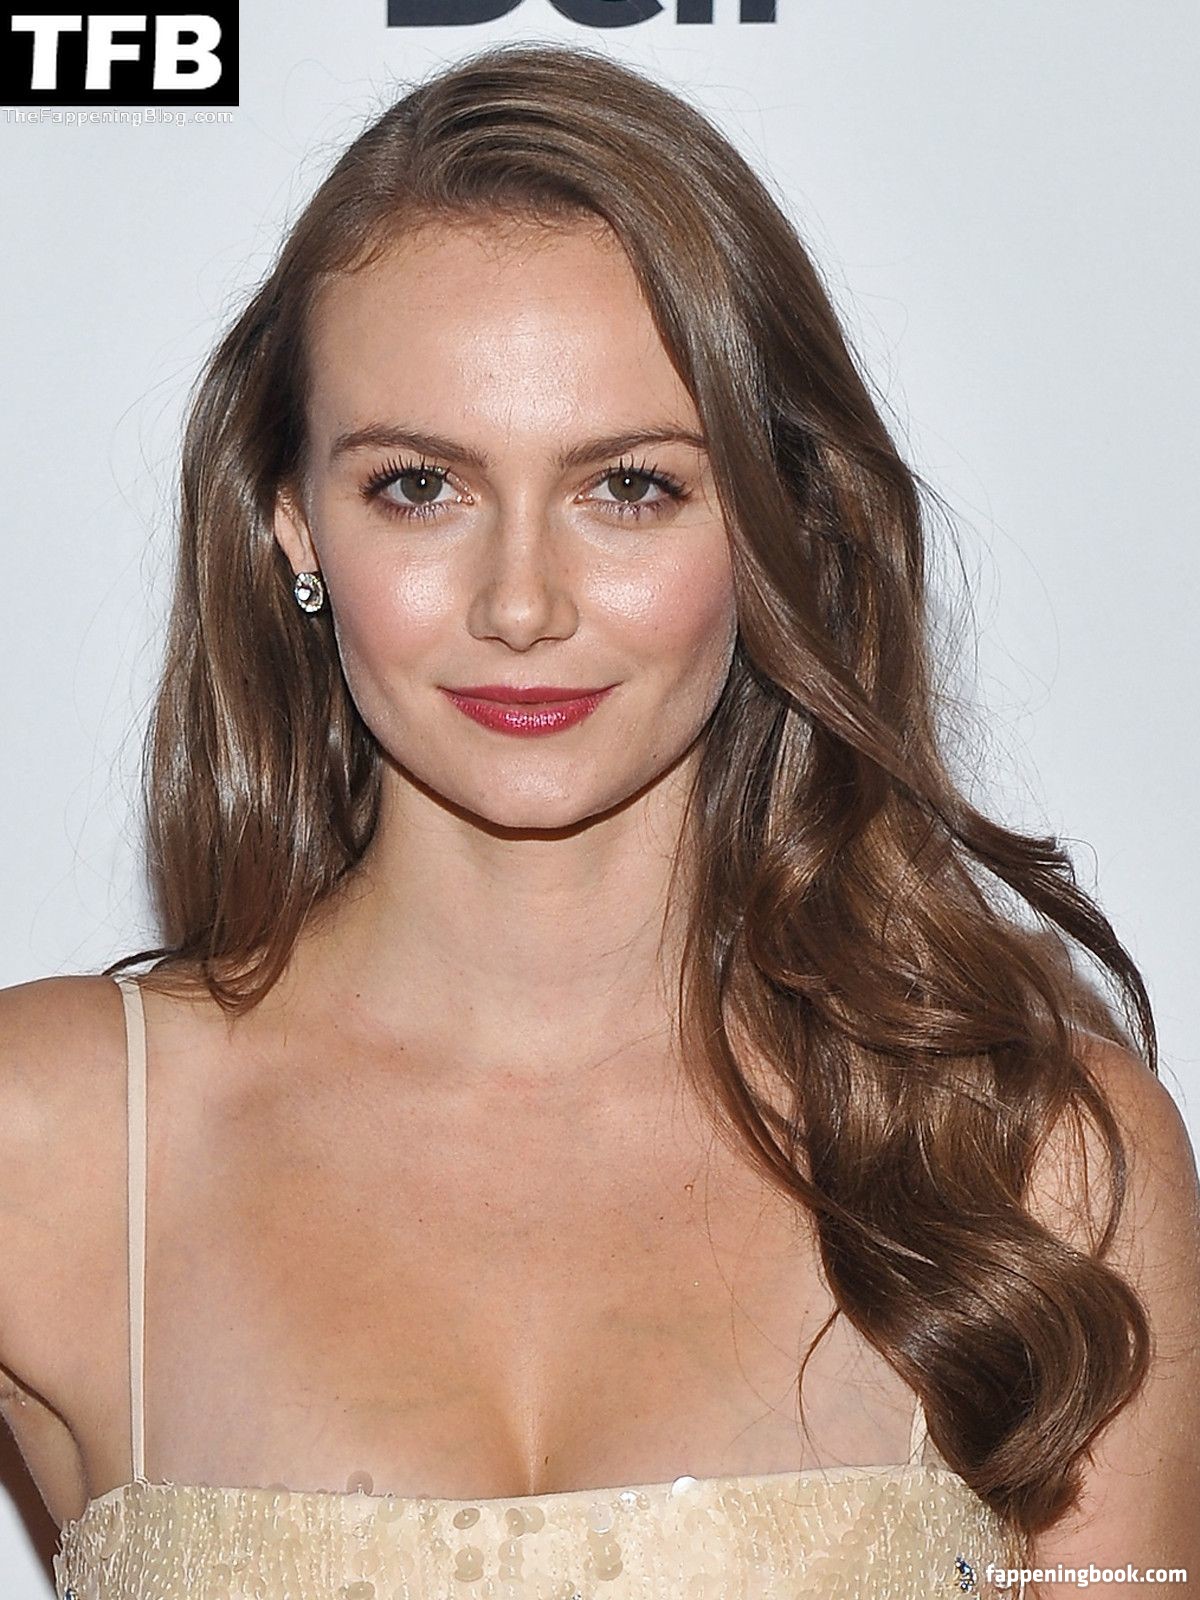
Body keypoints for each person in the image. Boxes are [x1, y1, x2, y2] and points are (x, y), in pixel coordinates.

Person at [2, 39, 1196, 1600]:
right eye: (418, 486)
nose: (521, 604)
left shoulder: (1029, 1161)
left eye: (628, 487)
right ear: (293, 521)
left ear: (780, 520)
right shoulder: (49, 1138)